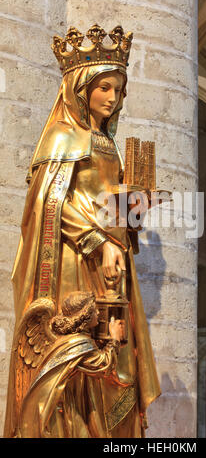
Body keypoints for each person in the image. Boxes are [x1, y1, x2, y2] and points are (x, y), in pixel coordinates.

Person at [4, 24, 161, 438]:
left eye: (119, 91)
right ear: (81, 87)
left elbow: (111, 204)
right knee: (79, 352)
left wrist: (134, 212)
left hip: (113, 260)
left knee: (117, 355)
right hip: (75, 263)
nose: (113, 98)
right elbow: (50, 202)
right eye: (105, 88)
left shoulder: (107, 142)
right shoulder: (61, 137)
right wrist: (97, 241)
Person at [16, 291, 124, 438]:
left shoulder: (66, 340)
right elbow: (102, 365)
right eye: (94, 310)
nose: (99, 313)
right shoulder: (78, 343)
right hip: (61, 408)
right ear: (85, 315)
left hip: (60, 403)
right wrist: (115, 339)